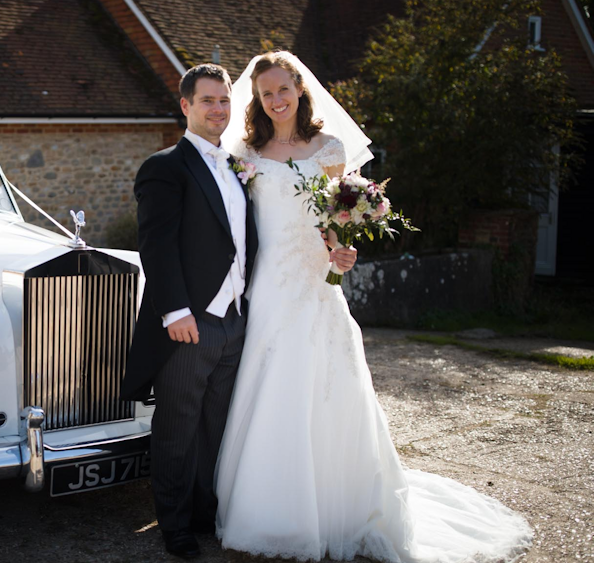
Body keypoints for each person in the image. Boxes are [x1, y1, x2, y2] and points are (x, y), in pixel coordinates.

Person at [213, 51, 534, 562]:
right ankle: (269, 509)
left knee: (326, 385)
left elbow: (333, 219)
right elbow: (235, 225)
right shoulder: (247, 154)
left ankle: (338, 507)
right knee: (271, 381)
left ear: (300, 89)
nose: (275, 100)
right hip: (270, 284)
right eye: (266, 93)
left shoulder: (330, 148)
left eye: (283, 89)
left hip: (317, 285)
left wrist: (343, 248)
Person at [119, 63, 356, 560]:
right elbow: (156, 246)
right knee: (178, 425)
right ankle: (175, 525)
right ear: (185, 106)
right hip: (191, 321)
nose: (217, 109)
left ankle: (206, 513)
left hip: (241, 317)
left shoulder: (237, 162)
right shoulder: (165, 166)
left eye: (224, 100)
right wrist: (176, 312)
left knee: (218, 425)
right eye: (206, 101)